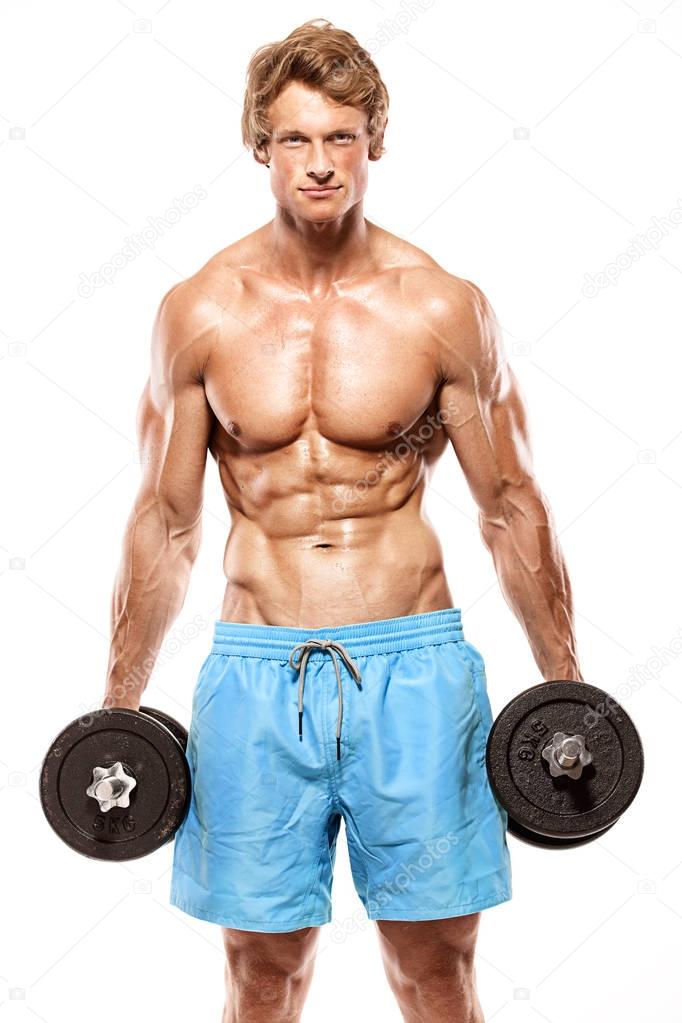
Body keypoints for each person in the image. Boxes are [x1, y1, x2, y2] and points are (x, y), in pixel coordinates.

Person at [103, 18, 583, 1023]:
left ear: (373, 143)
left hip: (414, 667)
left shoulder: (441, 307)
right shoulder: (199, 310)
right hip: (256, 675)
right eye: (294, 139)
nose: (318, 164)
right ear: (258, 146)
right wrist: (118, 703)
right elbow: (167, 521)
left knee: (435, 970)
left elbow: (508, 506)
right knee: (262, 971)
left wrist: (567, 690)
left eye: (339, 138)